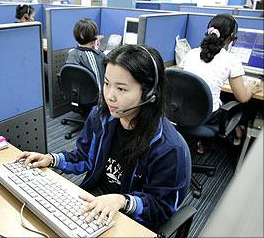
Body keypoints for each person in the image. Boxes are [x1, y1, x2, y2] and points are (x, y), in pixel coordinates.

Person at [15, 44, 191, 231]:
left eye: (121, 89)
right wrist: (52, 159)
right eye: (107, 84)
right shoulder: (101, 117)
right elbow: (84, 157)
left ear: (149, 93)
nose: (109, 96)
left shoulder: (169, 148)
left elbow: (160, 208)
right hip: (96, 201)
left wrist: (122, 201)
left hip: (132, 218)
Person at [179, 13, 262, 152]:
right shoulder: (231, 60)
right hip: (206, 115)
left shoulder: (191, 53)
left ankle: (203, 142)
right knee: (237, 104)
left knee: (218, 98)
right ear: (231, 37)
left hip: (182, 110)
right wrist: (252, 88)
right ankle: (237, 131)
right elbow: (242, 97)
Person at [66, 18, 106, 91]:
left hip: (76, 94)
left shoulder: (71, 53)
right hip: (94, 100)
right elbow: (98, 83)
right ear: (95, 36)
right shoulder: (99, 55)